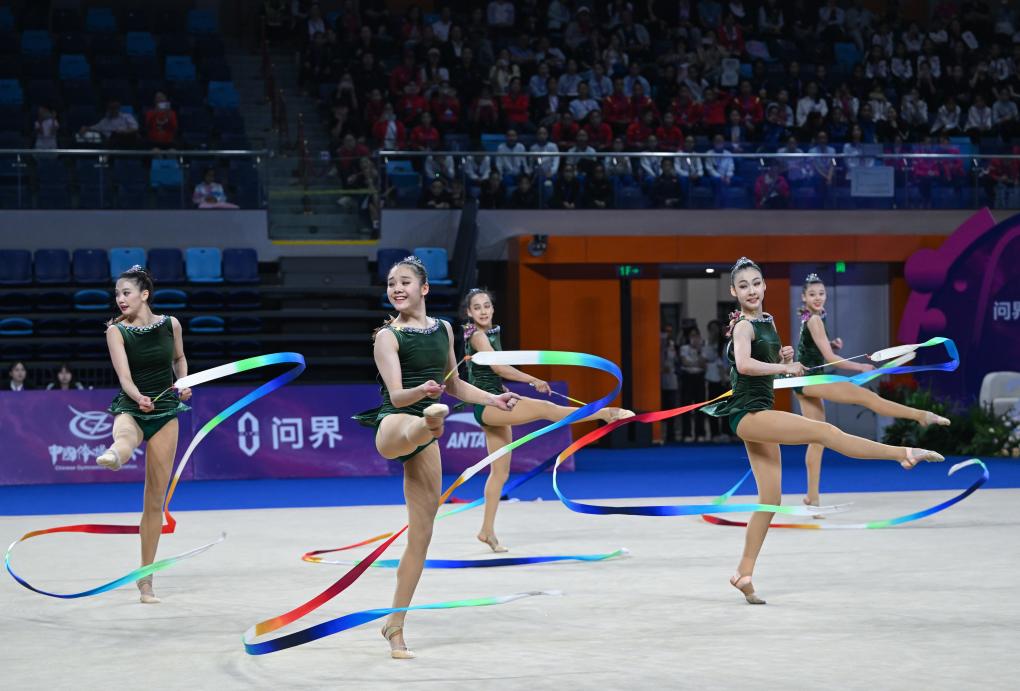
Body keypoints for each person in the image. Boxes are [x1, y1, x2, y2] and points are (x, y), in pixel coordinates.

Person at [702, 258, 944, 605]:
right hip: (749, 414)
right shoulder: (743, 326)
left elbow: (765, 364)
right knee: (825, 432)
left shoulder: (767, 320)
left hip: (757, 413)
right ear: (733, 291)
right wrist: (783, 367)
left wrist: (782, 359)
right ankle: (903, 454)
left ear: (764, 285)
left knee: (770, 500)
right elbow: (744, 364)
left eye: (756, 283)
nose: (751, 290)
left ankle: (743, 573)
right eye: (743, 286)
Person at [354, 258, 521, 658]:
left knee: (421, 536)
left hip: (430, 423)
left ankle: (394, 625)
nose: (396, 288)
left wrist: (493, 398)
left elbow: (456, 385)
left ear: (424, 288)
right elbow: (397, 396)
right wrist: (424, 395)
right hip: (396, 423)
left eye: (405, 282)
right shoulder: (387, 337)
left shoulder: (445, 329)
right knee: (413, 426)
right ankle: (430, 424)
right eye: (391, 283)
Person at [461, 289, 633, 551]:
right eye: (477, 307)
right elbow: (498, 367)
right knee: (545, 408)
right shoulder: (476, 334)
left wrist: (504, 389)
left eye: (487, 306)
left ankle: (486, 531)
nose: (483, 311)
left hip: (496, 399)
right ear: (469, 312)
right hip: (487, 405)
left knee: (500, 473)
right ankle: (604, 414)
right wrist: (532, 379)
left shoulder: (491, 333)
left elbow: (484, 373)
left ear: (493, 308)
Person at [793, 273, 950, 510]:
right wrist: (861, 367)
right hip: (811, 379)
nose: (818, 298)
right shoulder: (814, 319)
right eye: (812, 294)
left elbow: (812, 348)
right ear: (804, 297)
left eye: (821, 293)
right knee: (868, 398)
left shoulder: (815, 316)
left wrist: (831, 344)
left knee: (817, 439)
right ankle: (920, 416)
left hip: (802, 383)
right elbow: (831, 359)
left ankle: (812, 497)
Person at [95, 266, 193, 605]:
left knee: (153, 501)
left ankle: (145, 579)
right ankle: (115, 456)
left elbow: (180, 359)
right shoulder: (116, 331)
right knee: (124, 437)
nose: (120, 299)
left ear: (144, 294)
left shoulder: (171, 324)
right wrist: (138, 397)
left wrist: (183, 383)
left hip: (165, 410)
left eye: (126, 293)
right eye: (117, 294)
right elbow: (124, 377)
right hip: (133, 405)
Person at [679, 327, 708, 441]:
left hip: (699, 378)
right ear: (688, 337)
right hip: (687, 378)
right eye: (692, 335)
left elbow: (703, 364)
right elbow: (685, 363)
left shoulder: (703, 348)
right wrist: (696, 362)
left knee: (700, 406)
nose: (694, 338)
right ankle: (687, 434)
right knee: (686, 406)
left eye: (696, 335)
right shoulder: (684, 348)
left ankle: (700, 433)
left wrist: (698, 352)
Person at [660, 324, 679, 443]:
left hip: (671, 379)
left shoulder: (672, 345)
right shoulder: (658, 346)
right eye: (665, 332)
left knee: (671, 406)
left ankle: (671, 434)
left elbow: (675, 361)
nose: (667, 335)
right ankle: (660, 434)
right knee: (661, 407)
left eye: (670, 332)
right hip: (660, 381)